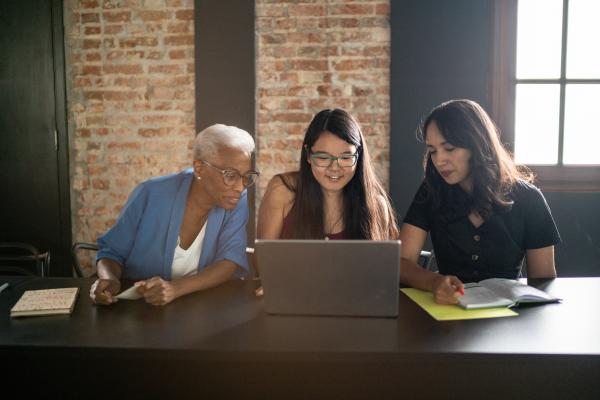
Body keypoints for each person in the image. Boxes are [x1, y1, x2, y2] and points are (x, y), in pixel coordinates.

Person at [399, 99, 561, 304]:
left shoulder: (529, 199)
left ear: (476, 143)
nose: (439, 160)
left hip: (508, 319)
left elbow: (543, 282)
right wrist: (434, 282)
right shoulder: (430, 191)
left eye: (449, 148)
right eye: (432, 150)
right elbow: (402, 263)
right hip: (449, 316)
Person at [90, 124, 259, 306]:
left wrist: (175, 289)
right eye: (230, 175)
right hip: (138, 308)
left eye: (246, 176)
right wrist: (110, 280)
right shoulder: (150, 193)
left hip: (200, 308)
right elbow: (111, 252)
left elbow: (230, 261)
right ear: (199, 169)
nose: (240, 186)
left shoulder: (236, 198)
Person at [258, 108, 399, 242]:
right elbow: (261, 260)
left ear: (358, 156)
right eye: (323, 158)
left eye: (345, 158)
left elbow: (381, 266)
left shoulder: (376, 206)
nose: (334, 168)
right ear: (308, 155)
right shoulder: (282, 191)